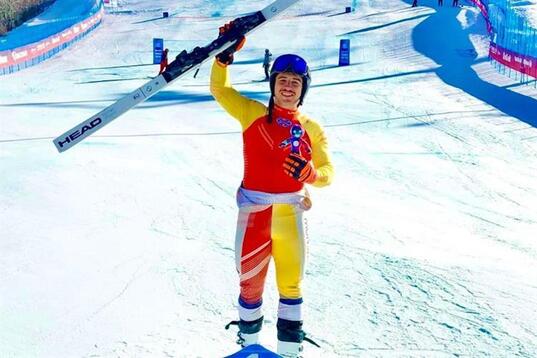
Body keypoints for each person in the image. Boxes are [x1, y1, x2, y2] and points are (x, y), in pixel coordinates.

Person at [211, 23, 333, 358]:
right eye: (283, 81)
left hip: (290, 214)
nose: (289, 87)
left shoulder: (311, 129)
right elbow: (220, 91)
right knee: (249, 286)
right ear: (273, 85)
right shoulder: (251, 114)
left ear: (303, 88)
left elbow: (328, 173)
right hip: (254, 213)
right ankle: (248, 350)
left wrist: (311, 174)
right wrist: (222, 61)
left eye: (295, 82)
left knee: (291, 287)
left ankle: (289, 352)